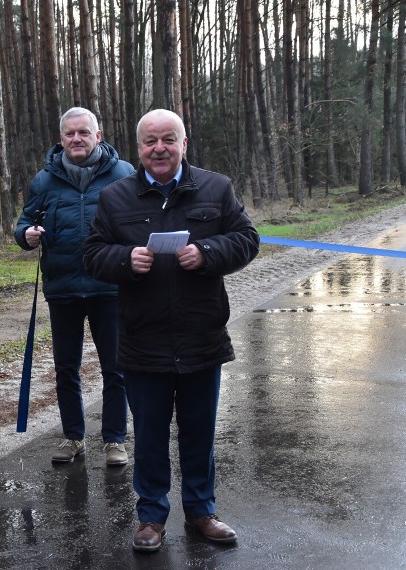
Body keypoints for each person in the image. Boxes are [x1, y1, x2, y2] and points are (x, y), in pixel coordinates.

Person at [83, 109, 259, 552]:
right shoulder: (115, 196)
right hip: (143, 339)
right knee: (150, 433)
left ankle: (201, 511)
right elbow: (93, 254)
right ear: (138, 148)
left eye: (167, 139)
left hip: (202, 336)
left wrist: (208, 251)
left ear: (184, 142)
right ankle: (151, 518)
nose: (158, 148)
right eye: (149, 142)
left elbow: (246, 239)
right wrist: (125, 260)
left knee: (199, 432)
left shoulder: (215, 187)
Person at [14, 107, 136, 466]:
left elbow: (139, 218)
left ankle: (114, 440)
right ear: (61, 138)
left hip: (110, 286)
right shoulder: (44, 181)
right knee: (66, 368)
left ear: (98, 135)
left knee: (115, 368)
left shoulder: (123, 173)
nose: (77, 139)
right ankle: (73, 437)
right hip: (63, 288)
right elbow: (24, 222)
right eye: (70, 134)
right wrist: (27, 235)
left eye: (84, 132)